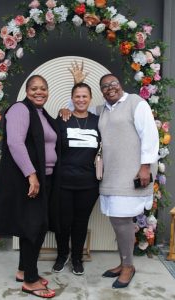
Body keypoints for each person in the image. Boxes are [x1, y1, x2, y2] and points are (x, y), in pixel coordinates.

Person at [60, 70, 159, 288]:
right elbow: (79, 107)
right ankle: (123, 262)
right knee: (117, 220)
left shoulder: (136, 103)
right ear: (102, 92)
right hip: (110, 175)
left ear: (120, 84)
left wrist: (145, 167)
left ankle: (129, 266)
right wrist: (67, 106)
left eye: (113, 83)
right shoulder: (101, 110)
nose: (110, 88)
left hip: (131, 173)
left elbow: (151, 136)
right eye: (104, 86)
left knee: (123, 221)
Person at [0, 75, 61, 298]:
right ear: (26, 90)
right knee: (34, 229)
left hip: (45, 178)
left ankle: (24, 270)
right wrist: (32, 175)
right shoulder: (21, 109)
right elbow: (14, 142)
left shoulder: (42, 114)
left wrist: (67, 111)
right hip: (29, 180)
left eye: (43, 88)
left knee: (35, 228)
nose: (39, 92)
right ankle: (30, 280)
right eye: (34, 88)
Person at [52, 82, 100, 276]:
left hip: (89, 184)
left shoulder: (98, 121)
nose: (81, 99)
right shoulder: (63, 118)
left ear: (90, 99)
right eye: (77, 96)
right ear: (72, 99)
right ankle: (62, 255)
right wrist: (63, 109)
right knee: (63, 222)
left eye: (84, 96)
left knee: (81, 223)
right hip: (63, 182)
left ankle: (77, 258)